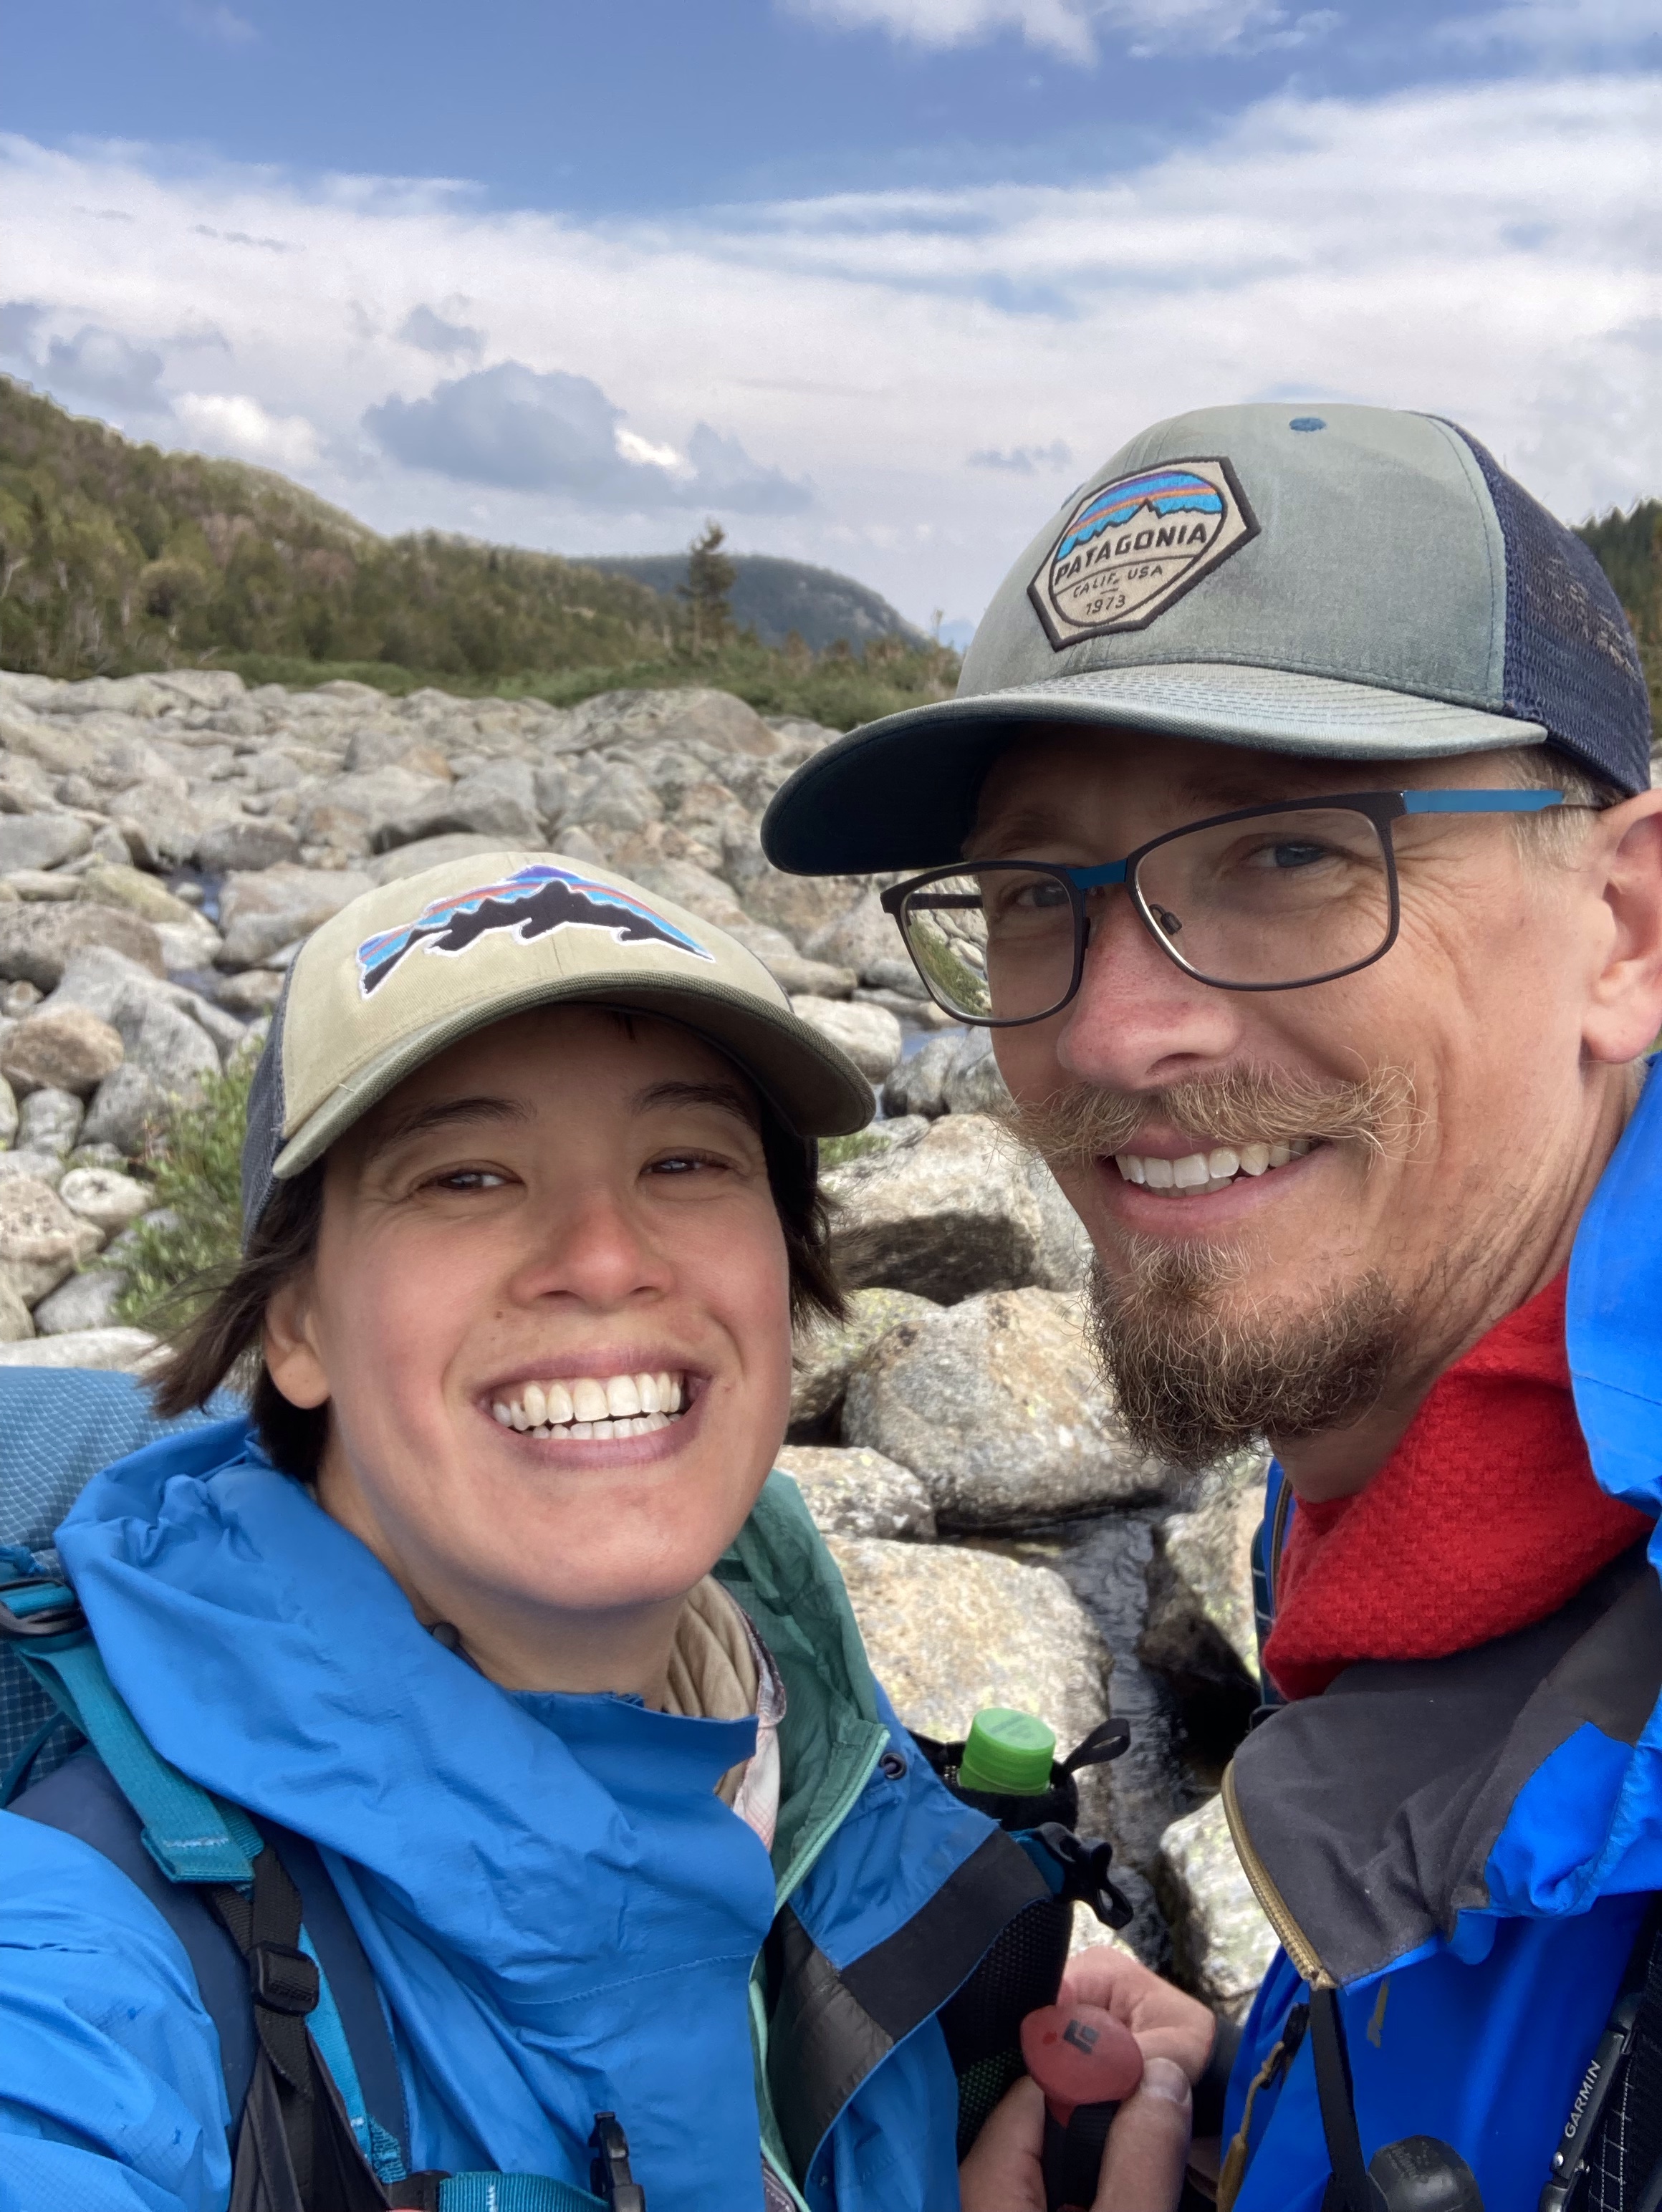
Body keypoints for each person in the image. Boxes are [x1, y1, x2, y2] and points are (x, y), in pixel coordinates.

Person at [760, 403, 1662, 2209]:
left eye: (1286, 855)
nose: (1108, 1032)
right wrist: (1250, 2114)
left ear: (1624, 928)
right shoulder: (1392, 1446)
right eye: (1035, 894)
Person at [0, 851, 1190, 2212]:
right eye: (465, 1176)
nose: (607, 1256)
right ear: (296, 1326)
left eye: (685, 1160)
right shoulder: (92, 1964)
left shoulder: (815, 1737)